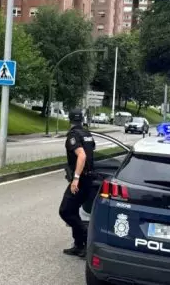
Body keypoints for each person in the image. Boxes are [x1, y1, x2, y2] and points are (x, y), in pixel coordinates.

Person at [59, 108, 96, 257]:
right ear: (81, 119)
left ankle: (86, 238)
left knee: (65, 211)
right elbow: (91, 152)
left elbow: (81, 156)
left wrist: (75, 178)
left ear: (69, 119)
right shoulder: (87, 134)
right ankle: (79, 245)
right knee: (73, 210)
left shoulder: (73, 135)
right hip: (89, 178)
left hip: (80, 180)